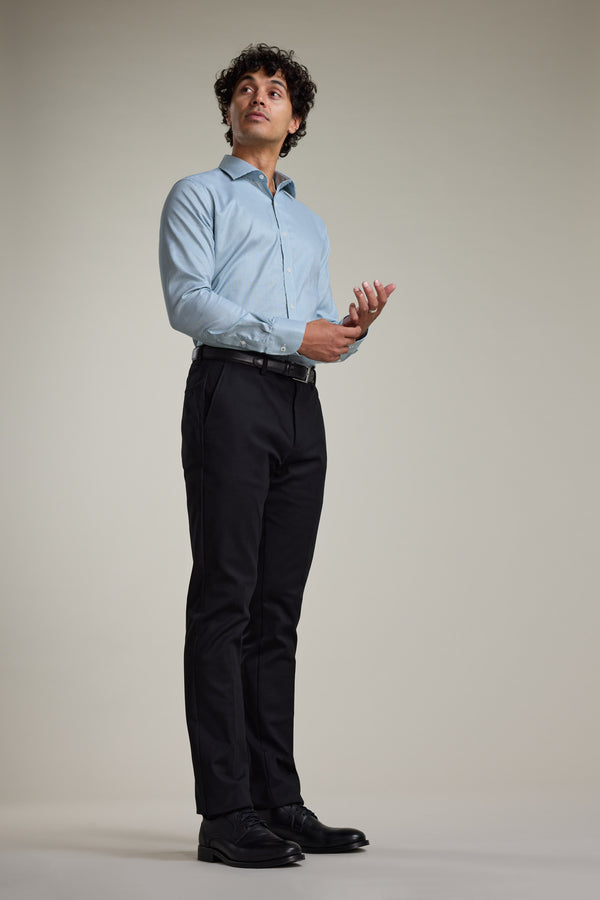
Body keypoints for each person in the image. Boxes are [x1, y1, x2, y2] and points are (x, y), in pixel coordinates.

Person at [159, 43, 395, 869]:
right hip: (229, 394)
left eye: (277, 90)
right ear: (229, 111)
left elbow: (321, 327)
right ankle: (225, 813)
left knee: (278, 611)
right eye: (245, 90)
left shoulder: (308, 221)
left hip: (300, 403)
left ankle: (278, 801)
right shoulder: (196, 195)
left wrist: (350, 333)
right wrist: (299, 333)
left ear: (295, 121)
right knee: (225, 600)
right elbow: (189, 303)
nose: (260, 98)